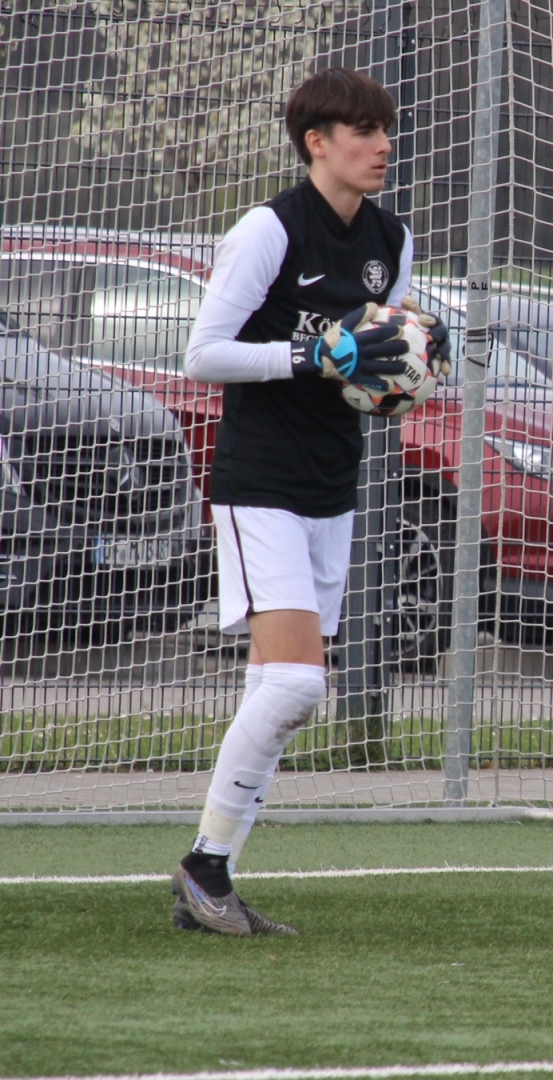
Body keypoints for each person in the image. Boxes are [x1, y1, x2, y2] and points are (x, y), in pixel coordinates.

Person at [171, 67, 449, 937]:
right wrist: (308, 355)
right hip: (259, 483)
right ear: (315, 142)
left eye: (386, 130)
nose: (382, 146)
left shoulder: (391, 237)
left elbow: (373, 360)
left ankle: (210, 884)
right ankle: (202, 868)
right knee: (295, 684)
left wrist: (410, 363)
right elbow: (203, 354)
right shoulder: (268, 228)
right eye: (363, 132)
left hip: (334, 484)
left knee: (279, 687)